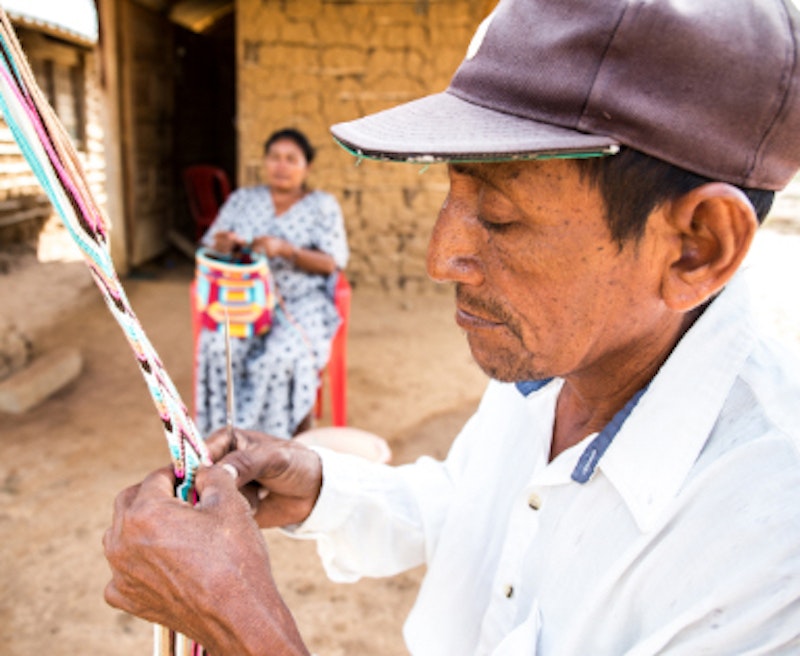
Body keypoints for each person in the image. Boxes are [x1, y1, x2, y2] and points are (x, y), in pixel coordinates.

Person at [104, 0, 800, 653]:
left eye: (500, 216)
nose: (442, 258)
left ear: (695, 246)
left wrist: (243, 628)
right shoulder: (551, 361)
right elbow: (474, 508)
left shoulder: (772, 547)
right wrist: (322, 488)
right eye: (451, 189)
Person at [195, 127, 349, 439]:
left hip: (300, 300)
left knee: (280, 359)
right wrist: (226, 244)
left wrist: (286, 250)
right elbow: (210, 245)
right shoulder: (243, 200)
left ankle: (277, 444)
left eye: (291, 159)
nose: (282, 165)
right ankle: (225, 438)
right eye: (275, 158)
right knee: (219, 349)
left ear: (307, 167)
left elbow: (331, 262)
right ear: (265, 162)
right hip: (242, 299)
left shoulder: (322, 205)